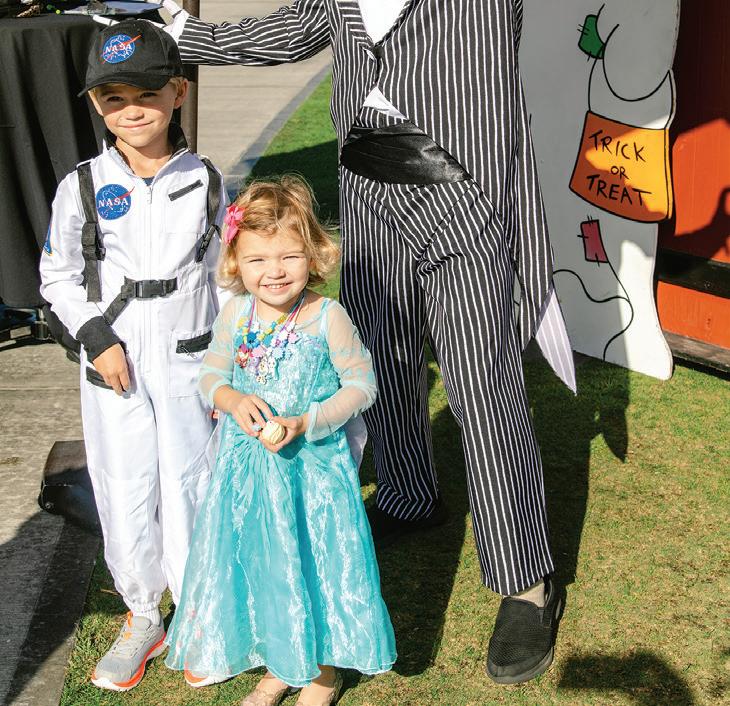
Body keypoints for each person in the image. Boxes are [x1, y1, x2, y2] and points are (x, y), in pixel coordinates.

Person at [148, 0, 575, 685]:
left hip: (462, 188)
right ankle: (408, 494)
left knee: (481, 383)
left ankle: (526, 581)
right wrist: (183, 34)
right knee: (384, 358)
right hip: (368, 189)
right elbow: (293, 29)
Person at [39, 19, 226, 692]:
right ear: (96, 104)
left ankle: (199, 609)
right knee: (124, 485)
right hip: (112, 364)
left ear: (178, 92)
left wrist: (232, 358)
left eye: (147, 92)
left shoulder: (206, 181)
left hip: (188, 359)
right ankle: (143, 612)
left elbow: (225, 276)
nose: (132, 110)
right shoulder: (82, 186)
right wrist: (96, 338)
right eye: (114, 98)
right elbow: (58, 277)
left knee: (190, 482)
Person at [164, 176, 396, 706]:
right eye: (257, 260)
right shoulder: (235, 315)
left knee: (315, 566)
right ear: (234, 262)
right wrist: (231, 399)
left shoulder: (326, 317)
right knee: (267, 566)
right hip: (248, 475)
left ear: (313, 254)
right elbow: (209, 376)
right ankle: (281, 662)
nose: (274, 272)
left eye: (289, 256)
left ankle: (321, 673)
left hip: (313, 477)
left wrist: (307, 421)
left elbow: (362, 385)